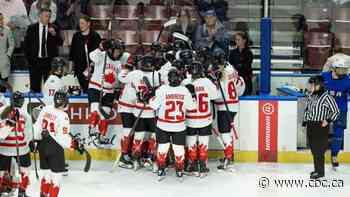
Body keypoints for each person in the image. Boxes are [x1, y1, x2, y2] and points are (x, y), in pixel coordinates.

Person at [149, 68, 196, 179]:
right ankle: (179, 169)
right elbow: (192, 107)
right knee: (178, 149)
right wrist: (193, 95)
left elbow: (153, 106)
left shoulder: (162, 89)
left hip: (163, 125)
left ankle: (161, 168)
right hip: (179, 125)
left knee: (163, 147)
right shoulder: (184, 90)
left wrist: (151, 96)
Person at [120, 56, 160, 170]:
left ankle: (136, 160)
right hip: (152, 111)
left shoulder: (135, 73)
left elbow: (122, 78)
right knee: (154, 136)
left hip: (138, 110)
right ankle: (150, 158)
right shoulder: (156, 74)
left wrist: (127, 67)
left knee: (139, 136)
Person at [182, 61, 219, 176]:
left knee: (191, 142)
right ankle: (202, 164)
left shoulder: (184, 82)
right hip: (205, 119)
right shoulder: (207, 82)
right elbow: (215, 96)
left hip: (190, 119)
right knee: (204, 142)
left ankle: (191, 164)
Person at [33, 90, 72, 197]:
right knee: (56, 179)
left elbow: (37, 127)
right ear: (65, 102)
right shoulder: (64, 116)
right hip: (55, 148)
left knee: (46, 177)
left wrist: (35, 141)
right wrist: (72, 144)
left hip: (42, 146)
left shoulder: (46, 109)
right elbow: (62, 138)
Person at [87, 39, 125, 145]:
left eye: (119, 51)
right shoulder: (102, 55)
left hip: (109, 92)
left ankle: (101, 136)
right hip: (95, 88)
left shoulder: (118, 63)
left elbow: (119, 79)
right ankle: (92, 132)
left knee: (105, 116)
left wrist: (118, 88)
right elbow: (92, 56)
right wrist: (101, 47)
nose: (118, 53)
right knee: (95, 112)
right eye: (116, 51)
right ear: (110, 50)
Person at [212, 49, 245, 170]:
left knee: (225, 133)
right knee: (227, 132)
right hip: (233, 105)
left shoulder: (221, 72)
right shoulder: (231, 68)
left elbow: (217, 93)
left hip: (224, 107)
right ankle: (230, 156)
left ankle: (228, 158)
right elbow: (240, 85)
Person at [303, 76, 339, 179]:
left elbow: (336, 111)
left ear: (318, 85)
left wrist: (327, 121)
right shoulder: (311, 95)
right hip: (311, 125)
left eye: (311, 84)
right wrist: (305, 120)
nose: (309, 86)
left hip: (320, 126)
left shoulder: (327, 97)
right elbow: (308, 109)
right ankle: (316, 169)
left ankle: (320, 172)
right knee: (314, 149)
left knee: (319, 149)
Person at [0, 91, 32, 197]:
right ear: (22, 102)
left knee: (1, 170)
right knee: (25, 170)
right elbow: (28, 134)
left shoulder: (2, 110)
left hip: (4, 148)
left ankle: (2, 188)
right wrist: (29, 143)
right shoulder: (26, 114)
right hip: (21, 148)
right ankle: (22, 191)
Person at [321, 55, 350, 170]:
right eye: (340, 69)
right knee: (321, 132)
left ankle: (334, 156)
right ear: (333, 69)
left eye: (345, 69)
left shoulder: (348, 80)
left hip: (340, 110)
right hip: (325, 110)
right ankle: (320, 154)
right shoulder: (324, 77)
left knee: (338, 135)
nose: (343, 72)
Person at [24, 8, 63, 93]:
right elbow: (26, 46)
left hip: (49, 63)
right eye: (46, 16)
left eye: (49, 16)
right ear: (40, 16)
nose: (48, 18)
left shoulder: (54, 28)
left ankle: (49, 105)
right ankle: (35, 105)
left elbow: (60, 42)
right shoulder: (31, 28)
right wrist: (29, 60)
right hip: (35, 62)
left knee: (49, 87)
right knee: (34, 88)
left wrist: (54, 34)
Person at [69, 15, 101, 93]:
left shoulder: (95, 36)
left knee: (90, 91)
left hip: (91, 70)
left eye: (82, 23)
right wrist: (70, 69)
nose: (80, 25)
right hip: (79, 70)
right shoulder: (76, 36)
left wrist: (91, 67)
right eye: (80, 23)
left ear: (88, 24)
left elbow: (98, 54)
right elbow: (72, 54)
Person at [0, 13, 14, 92]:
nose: (2, 21)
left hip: (4, 61)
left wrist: (8, 55)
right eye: (0, 19)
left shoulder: (7, 30)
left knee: (3, 85)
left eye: (2, 19)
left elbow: (12, 44)